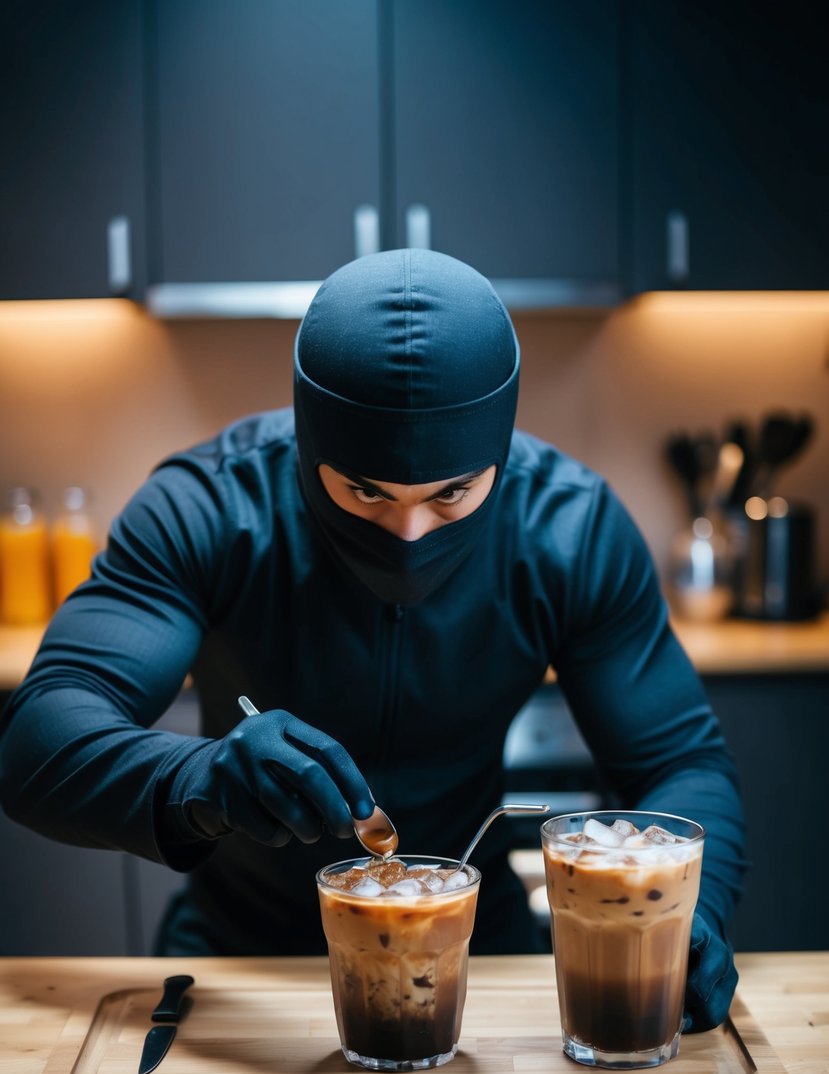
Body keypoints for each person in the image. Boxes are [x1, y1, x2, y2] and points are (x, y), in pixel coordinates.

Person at [0, 249, 745, 1031]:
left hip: (480, 958)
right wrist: (199, 775)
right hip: (237, 966)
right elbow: (38, 741)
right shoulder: (206, 508)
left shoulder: (572, 530)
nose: (409, 532)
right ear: (309, 438)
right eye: (365, 490)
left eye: (452, 492)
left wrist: (690, 914)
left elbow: (679, 763)